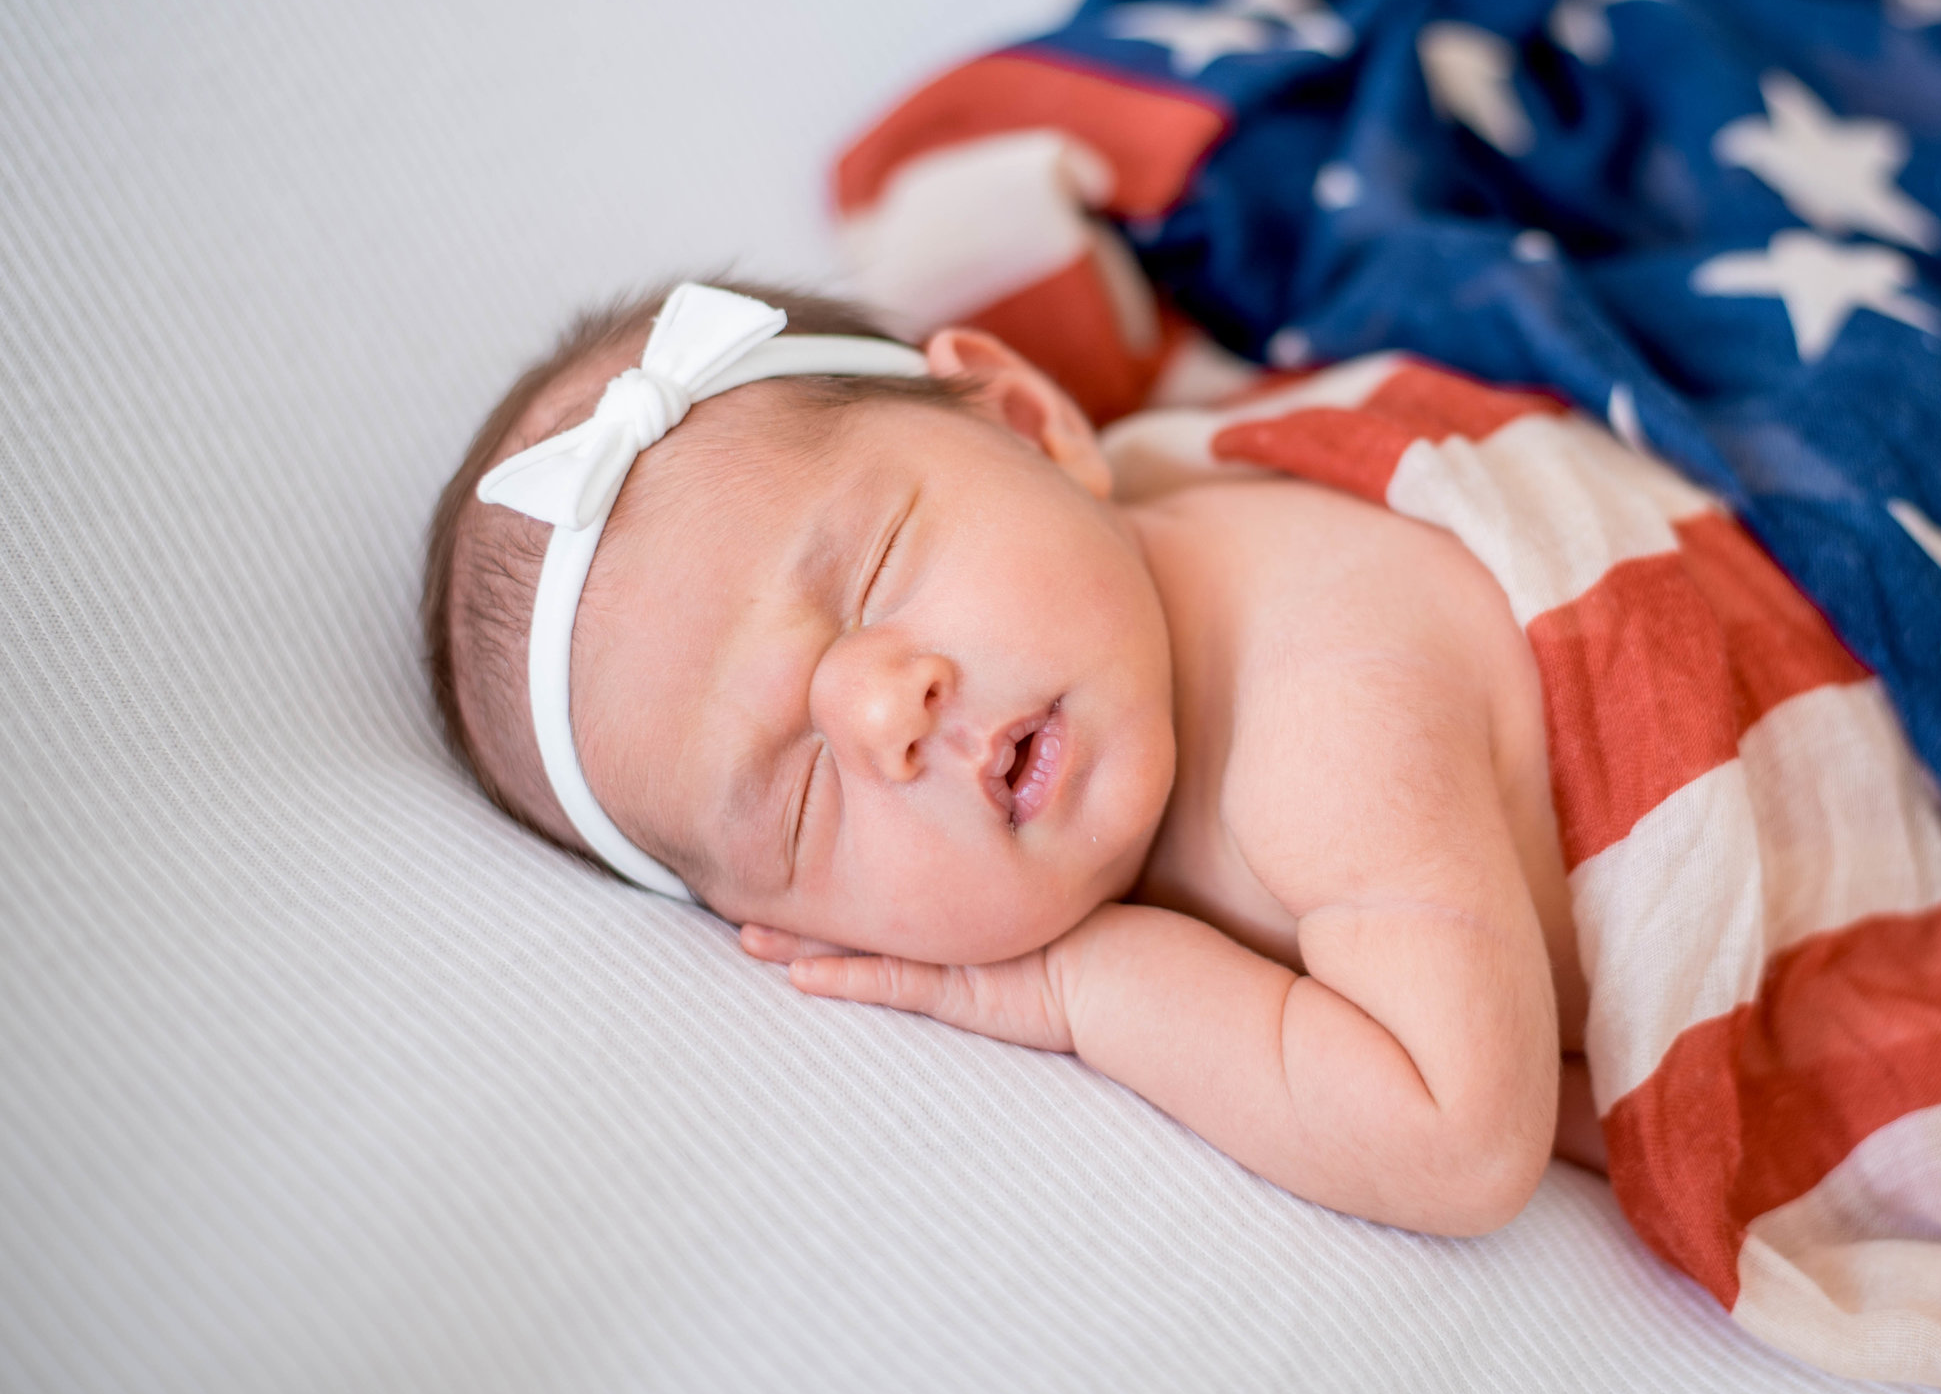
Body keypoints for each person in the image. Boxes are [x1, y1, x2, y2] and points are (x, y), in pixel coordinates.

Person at [426, 278, 1614, 1234]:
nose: (883, 711)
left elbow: (1457, 1142)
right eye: (797, 799)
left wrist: (1077, 987)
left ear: (1030, 424)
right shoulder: (1114, 643)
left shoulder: (1324, 713)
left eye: (872, 570)